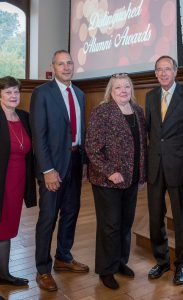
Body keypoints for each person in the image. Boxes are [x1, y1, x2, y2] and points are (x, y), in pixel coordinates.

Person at [30, 50, 89, 292]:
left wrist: (84, 163)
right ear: (53, 67)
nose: (66, 67)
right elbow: (38, 134)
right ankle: (43, 269)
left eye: (69, 63)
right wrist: (47, 169)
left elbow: (81, 132)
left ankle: (63, 256)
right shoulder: (41, 93)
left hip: (75, 162)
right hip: (52, 166)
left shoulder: (80, 94)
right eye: (60, 64)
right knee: (48, 217)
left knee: (71, 212)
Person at [86, 73, 147, 290]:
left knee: (125, 223)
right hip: (107, 181)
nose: (123, 91)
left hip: (131, 179)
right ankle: (106, 269)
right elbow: (92, 148)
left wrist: (142, 174)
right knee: (110, 225)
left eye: (127, 87)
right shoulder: (102, 112)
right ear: (110, 91)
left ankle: (121, 261)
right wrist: (109, 171)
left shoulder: (138, 112)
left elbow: (142, 145)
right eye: (118, 87)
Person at [146, 55, 183, 285]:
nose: (163, 73)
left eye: (167, 69)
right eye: (159, 70)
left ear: (176, 71)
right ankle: (161, 261)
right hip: (155, 167)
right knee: (155, 217)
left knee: (180, 218)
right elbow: (150, 131)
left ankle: (182, 265)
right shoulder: (150, 97)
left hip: (180, 167)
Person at [0, 76, 36, 286]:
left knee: (7, 228)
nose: (13, 96)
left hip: (18, 181)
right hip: (2, 182)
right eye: (8, 92)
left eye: (16, 92)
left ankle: (3, 274)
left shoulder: (24, 117)